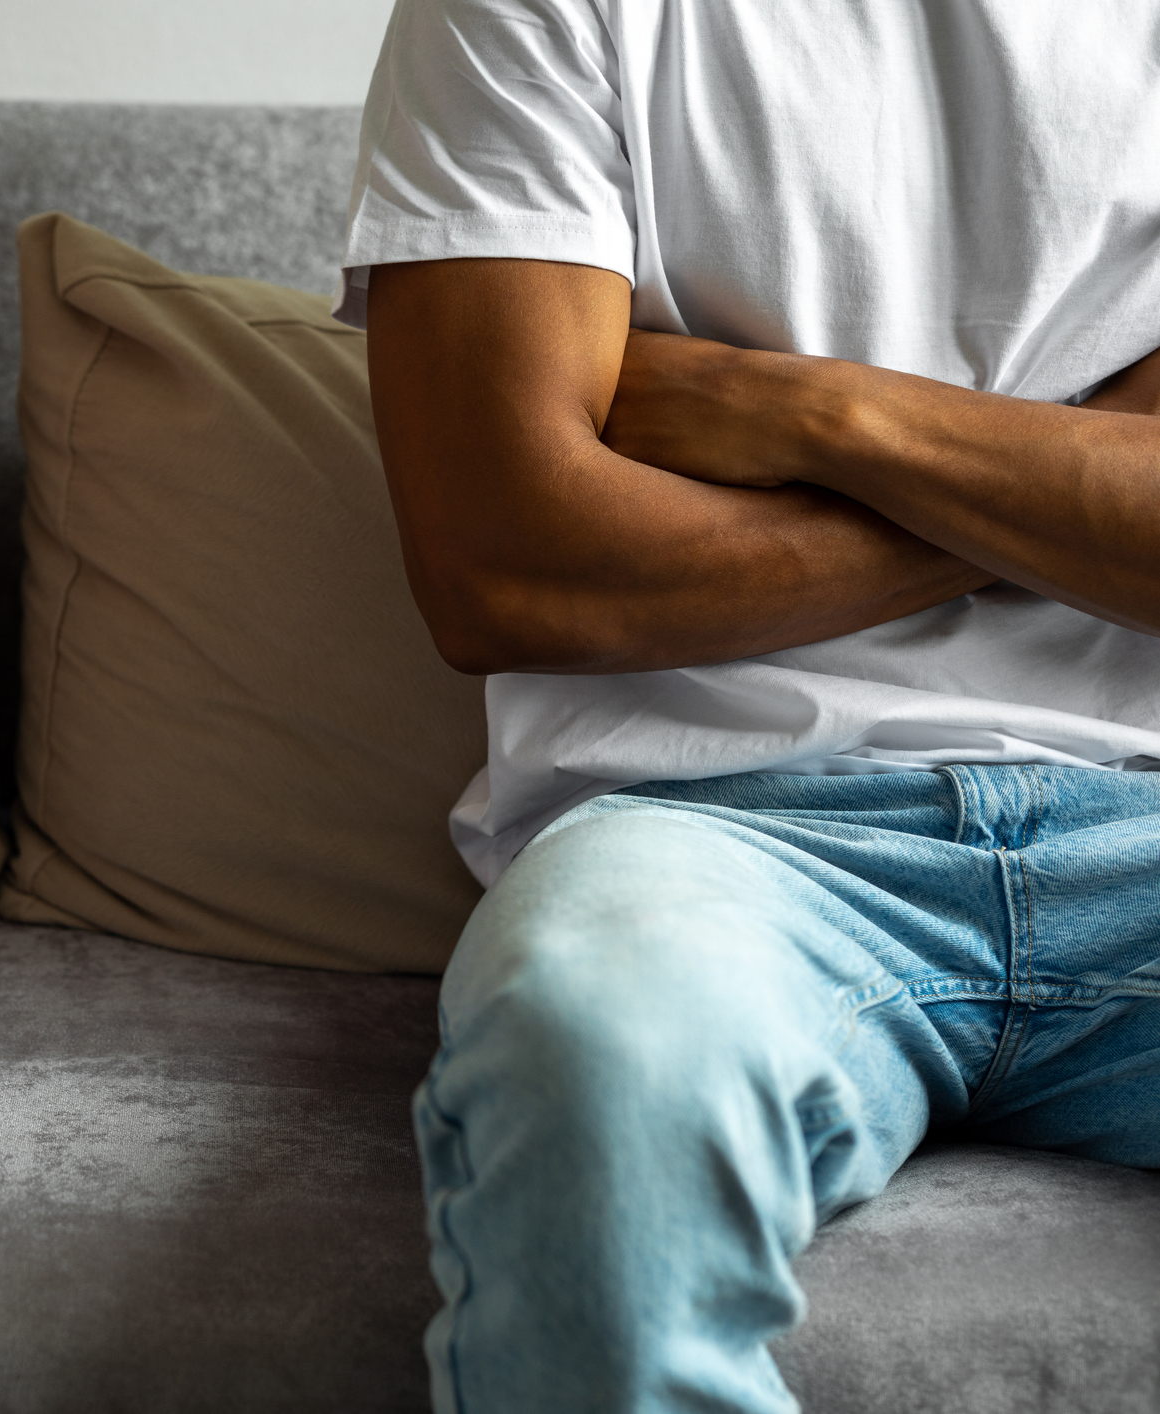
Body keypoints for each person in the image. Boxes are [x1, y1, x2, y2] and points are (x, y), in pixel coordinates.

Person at [343, 1, 1160, 1409]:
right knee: (590, 1055)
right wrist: (1076, 476)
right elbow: (506, 569)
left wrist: (806, 415)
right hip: (710, 834)